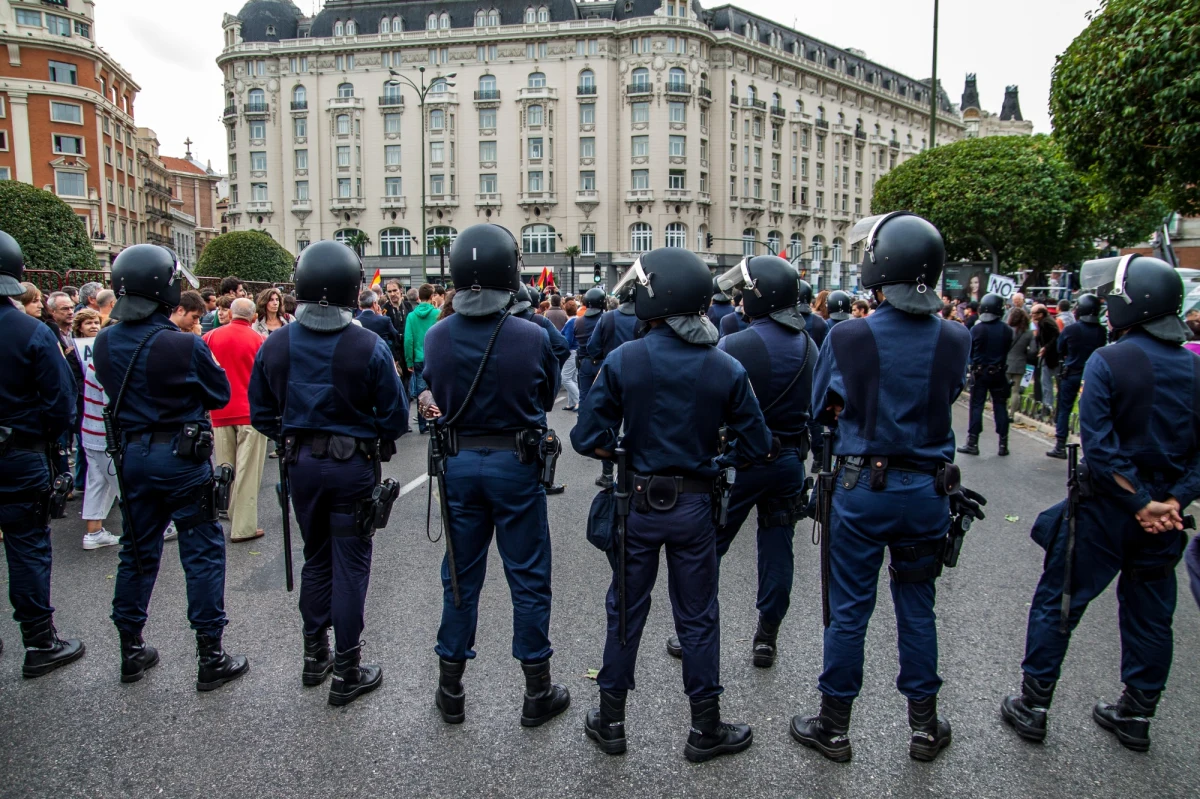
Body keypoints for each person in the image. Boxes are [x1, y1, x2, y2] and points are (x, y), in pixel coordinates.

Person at [571, 247, 772, 761]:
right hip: (695, 506)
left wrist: (624, 453)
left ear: (656, 296)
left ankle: (611, 721)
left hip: (637, 503)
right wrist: (716, 458)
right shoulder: (725, 365)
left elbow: (586, 437)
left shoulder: (624, 358)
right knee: (698, 616)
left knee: (625, 611)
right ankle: (705, 728)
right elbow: (757, 445)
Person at [791, 212, 972, 764]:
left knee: (850, 610)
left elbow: (820, 409)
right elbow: (946, 393)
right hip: (928, 491)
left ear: (878, 268)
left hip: (862, 488)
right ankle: (924, 727)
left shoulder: (848, 335)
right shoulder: (956, 337)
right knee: (917, 607)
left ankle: (834, 726)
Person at [1000, 255, 1199, 752]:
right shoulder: (1196, 367)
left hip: (1107, 507)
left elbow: (1101, 446)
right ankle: (1137, 714)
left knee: (1060, 601)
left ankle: (1034, 705)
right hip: (1165, 516)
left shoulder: (1108, 361)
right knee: (1151, 615)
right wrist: (1171, 501)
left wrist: (1141, 502)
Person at [417, 224, 568, 729]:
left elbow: (434, 390)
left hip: (459, 465)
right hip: (515, 465)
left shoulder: (437, 335)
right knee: (528, 577)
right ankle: (536, 690)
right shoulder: (533, 335)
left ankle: (450, 689)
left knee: (460, 579)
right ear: (510, 271)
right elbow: (544, 398)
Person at [250, 241, 407, 706]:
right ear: (350, 287)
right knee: (351, 563)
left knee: (316, 557)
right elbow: (395, 416)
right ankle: (347, 669)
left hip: (300, 463)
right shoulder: (368, 344)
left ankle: (314, 655)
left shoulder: (276, 343)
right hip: (350, 465)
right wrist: (369, 433)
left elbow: (261, 413)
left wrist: (292, 433)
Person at [93, 243, 248, 690]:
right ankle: (210, 654)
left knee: (136, 552)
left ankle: (130, 649)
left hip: (133, 455)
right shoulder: (182, 344)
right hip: (180, 456)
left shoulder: (105, 341)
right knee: (201, 552)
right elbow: (218, 393)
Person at [663, 255, 813, 669]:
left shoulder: (735, 343)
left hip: (741, 460)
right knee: (778, 548)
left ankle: (692, 629)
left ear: (761, 295)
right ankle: (767, 636)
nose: (740, 300)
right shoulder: (810, 345)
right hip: (789, 461)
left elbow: (707, 402)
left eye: (745, 293)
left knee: (708, 547)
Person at [0, 230, 86, 676]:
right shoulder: (32, 332)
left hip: (21, 447)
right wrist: (53, 443)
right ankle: (39, 641)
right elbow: (61, 401)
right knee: (28, 547)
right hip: (19, 452)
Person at [203, 298, 269, 543]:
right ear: (253, 317)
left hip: (219, 411)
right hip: (249, 411)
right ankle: (243, 526)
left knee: (225, 468)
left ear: (230, 314)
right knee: (247, 471)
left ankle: (227, 509)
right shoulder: (259, 340)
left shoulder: (210, 337)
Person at [72, 309, 121, 550]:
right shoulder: (107, 365)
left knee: (97, 483)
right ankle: (155, 529)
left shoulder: (96, 361)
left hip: (91, 432)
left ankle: (94, 532)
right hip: (106, 436)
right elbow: (112, 404)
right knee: (125, 485)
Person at [584, 283, 639, 489]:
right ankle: (634, 472)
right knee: (638, 424)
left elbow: (592, 347)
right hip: (641, 378)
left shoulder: (607, 318)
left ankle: (607, 474)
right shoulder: (646, 319)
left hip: (612, 375)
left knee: (609, 426)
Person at [1045, 295, 1107, 459]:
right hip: (1092, 375)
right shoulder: (1101, 331)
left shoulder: (1071, 330)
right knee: (1090, 411)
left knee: (1064, 409)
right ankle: (1089, 448)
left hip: (1072, 372)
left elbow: (1060, 348)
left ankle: (1060, 445)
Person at [957, 293, 1014, 457]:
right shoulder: (1007, 330)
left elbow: (970, 351)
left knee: (976, 406)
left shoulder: (977, 329)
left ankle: (973, 442)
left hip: (980, 373)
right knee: (1000, 406)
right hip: (999, 372)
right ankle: (1003, 443)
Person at [403, 284, 439, 434]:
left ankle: (423, 423)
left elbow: (408, 339)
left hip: (418, 357)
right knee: (436, 389)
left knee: (420, 391)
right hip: (434, 356)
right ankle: (436, 421)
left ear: (419, 297)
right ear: (432, 296)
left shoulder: (411, 316)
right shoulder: (437, 313)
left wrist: (409, 360)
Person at [574, 288, 607, 416]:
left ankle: (583, 423)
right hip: (602, 362)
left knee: (584, 397)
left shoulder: (578, 321)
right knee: (604, 398)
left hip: (584, 363)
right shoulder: (606, 319)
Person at [1031, 304, 1060, 413]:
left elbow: (1055, 336)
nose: (1032, 315)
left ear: (1041, 314)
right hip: (1051, 356)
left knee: (1046, 382)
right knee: (1049, 381)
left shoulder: (1045, 323)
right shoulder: (1045, 322)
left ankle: (1048, 406)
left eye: (1034, 313)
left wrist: (1045, 348)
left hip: (1050, 357)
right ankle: (1049, 405)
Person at [1006, 308, 1034, 417]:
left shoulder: (1007, 330)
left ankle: (1003, 412)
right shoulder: (1029, 333)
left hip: (1007, 362)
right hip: (1020, 362)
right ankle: (1012, 414)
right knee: (1015, 391)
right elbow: (1033, 350)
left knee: (1004, 389)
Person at [356, 290, 401, 356]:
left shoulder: (356, 322)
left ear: (360, 306)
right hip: (382, 355)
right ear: (374, 304)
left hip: (363, 356)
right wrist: (381, 316)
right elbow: (395, 335)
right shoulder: (385, 320)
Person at [381, 280, 410, 376]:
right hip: (394, 351)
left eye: (395, 290)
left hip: (407, 349)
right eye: (389, 291)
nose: (392, 294)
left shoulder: (408, 306)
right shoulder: (384, 309)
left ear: (400, 290)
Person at [560, 299, 581, 412]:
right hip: (577, 351)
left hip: (571, 352)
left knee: (565, 378)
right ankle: (571, 403)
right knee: (573, 378)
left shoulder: (570, 323)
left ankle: (578, 401)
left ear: (565, 311)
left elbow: (568, 340)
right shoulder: (577, 320)